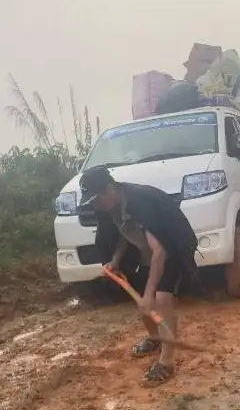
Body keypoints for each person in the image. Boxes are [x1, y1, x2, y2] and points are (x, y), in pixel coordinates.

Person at [80, 165, 200, 385]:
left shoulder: (139, 202)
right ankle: (155, 338)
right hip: (148, 252)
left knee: (160, 299)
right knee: (144, 302)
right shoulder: (111, 208)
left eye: (97, 199)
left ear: (109, 189)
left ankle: (166, 361)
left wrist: (149, 294)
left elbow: (160, 252)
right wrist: (116, 260)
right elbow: (124, 234)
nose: (95, 206)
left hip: (171, 247)